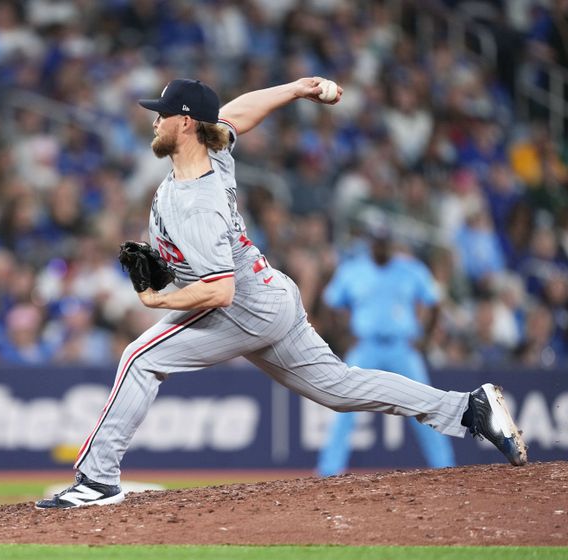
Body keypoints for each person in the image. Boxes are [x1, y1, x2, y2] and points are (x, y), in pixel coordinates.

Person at [36, 77, 527, 509]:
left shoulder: (197, 201)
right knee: (341, 387)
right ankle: (468, 407)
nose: (154, 122)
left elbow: (219, 291)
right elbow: (238, 114)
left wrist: (156, 299)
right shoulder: (215, 150)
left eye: (161, 114)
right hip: (271, 294)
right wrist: (296, 88)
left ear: (185, 123)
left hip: (242, 303)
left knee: (140, 358)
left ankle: (97, 479)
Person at [316, 227, 456, 477]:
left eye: (385, 243)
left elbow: (434, 301)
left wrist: (424, 338)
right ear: (371, 244)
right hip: (366, 345)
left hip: (401, 346)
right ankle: (329, 469)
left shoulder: (410, 269)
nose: (382, 247)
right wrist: (343, 337)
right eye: (378, 243)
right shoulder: (353, 269)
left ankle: (444, 465)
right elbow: (331, 303)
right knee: (342, 401)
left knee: (426, 403)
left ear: (392, 244)